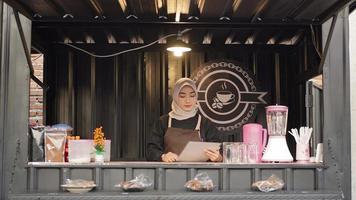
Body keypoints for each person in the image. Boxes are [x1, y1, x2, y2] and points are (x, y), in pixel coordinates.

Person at [147, 78, 222, 162]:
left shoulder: (205, 123)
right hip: (169, 173)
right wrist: (163, 156)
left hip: (199, 174)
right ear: (175, 97)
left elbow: (219, 151)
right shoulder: (163, 122)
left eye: (192, 95)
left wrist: (218, 157)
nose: (188, 100)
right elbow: (151, 150)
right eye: (182, 96)